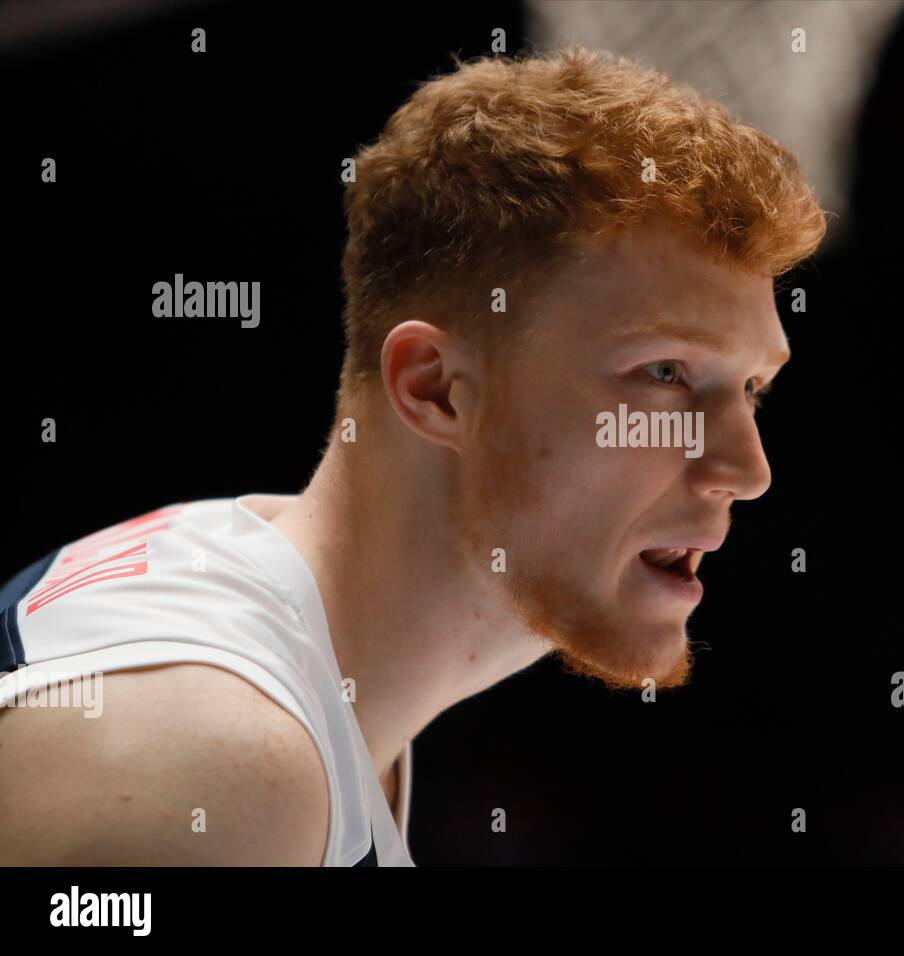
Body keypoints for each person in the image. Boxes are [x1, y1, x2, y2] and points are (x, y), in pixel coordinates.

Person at [0, 45, 827, 866]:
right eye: (665, 374)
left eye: (751, 388)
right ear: (435, 389)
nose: (746, 470)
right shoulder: (216, 767)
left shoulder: (263, 642)